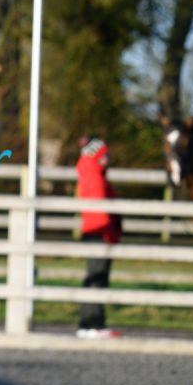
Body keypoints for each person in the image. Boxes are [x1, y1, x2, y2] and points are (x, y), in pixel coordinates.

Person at [75, 137, 123, 339]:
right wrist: (109, 232)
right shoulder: (94, 176)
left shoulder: (93, 174)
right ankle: (92, 323)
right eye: (105, 155)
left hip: (97, 232)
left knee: (96, 277)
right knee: (96, 278)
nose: (108, 158)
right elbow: (100, 210)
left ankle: (91, 323)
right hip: (99, 233)